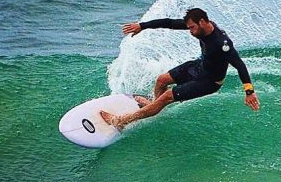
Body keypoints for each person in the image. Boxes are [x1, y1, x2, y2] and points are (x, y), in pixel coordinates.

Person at [100, 8, 260, 129]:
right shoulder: (199, 25)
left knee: (167, 96)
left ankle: (120, 121)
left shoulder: (222, 43)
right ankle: (154, 106)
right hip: (199, 67)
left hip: (210, 82)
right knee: (162, 80)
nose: (190, 31)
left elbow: (240, 65)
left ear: (203, 22)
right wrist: (142, 26)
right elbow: (170, 23)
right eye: (189, 28)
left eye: (192, 28)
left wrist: (249, 92)